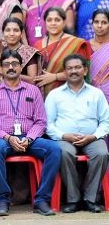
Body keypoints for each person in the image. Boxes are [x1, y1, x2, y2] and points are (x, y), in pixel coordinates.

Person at [0, 49, 59, 216]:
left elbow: (40, 122)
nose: (11, 67)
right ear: (1, 69)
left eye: (15, 64)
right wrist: (8, 138)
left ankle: (41, 200)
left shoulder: (33, 91)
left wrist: (29, 139)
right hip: (4, 138)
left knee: (54, 149)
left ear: (20, 67)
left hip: (29, 138)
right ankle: (2, 200)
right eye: (7, 64)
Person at [45, 54, 109, 214]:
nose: (74, 71)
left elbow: (106, 122)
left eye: (77, 67)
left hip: (92, 138)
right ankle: (73, 199)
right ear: (65, 72)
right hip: (65, 138)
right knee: (63, 152)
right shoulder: (55, 95)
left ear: (85, 70)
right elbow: (47, 124)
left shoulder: (96, 94)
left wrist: (93, 136)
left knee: (102, 153)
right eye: (70, 68)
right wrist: (64, 136)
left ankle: (90, 199)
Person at [33, 7, 91, 97]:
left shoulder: (75, 43)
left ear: (64, 23)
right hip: (39, 95)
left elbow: (81, 72)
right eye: (49, 20)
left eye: (57, 20)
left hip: (68, 94)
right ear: (45, 23)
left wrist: (55, 77)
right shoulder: (37, 45)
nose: (53, 23)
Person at [1, 18, 39, 83]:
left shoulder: (29, 52)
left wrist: (6, 73)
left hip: (23, 91)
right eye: (8, 30)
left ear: (21, 34)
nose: (12, 34)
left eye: (16, 30)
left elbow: (33, 80)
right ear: (3, 33)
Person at [89, 9, 109, 104]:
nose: (99, 26)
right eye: (96, 22)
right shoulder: (84, 45)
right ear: (92, 23)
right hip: (88, 96)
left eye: (104, 22)